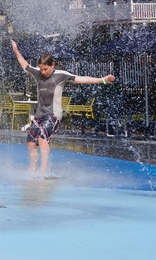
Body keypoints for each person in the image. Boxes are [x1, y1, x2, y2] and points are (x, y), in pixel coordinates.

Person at [10, 40, 115, 177]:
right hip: (39, 114)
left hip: (53, 114)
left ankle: (44, 172)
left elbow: (81, 79)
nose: (43, 72)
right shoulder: (37, 73)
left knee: (42, 139)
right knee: (31, 141)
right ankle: (33, 170)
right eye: (41, 69)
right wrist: (16, 51)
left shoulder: (61, 75)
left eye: (46, 69)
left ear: (52, 65)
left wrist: (102, 80)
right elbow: (25, 65)